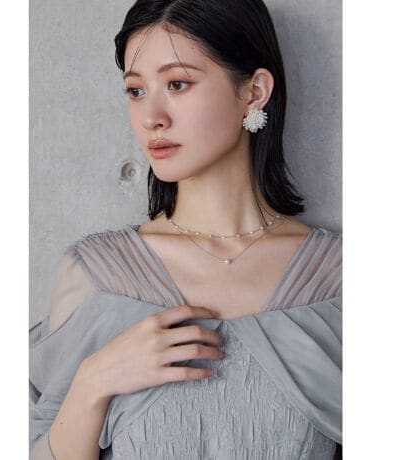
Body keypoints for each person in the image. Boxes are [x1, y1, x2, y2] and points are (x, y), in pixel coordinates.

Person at [29, 1, 342, 459]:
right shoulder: (96, 276)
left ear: (254, 91)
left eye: (177, 84)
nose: (151, 116)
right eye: (136, 91)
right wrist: (92, 382)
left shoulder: (337, 281)